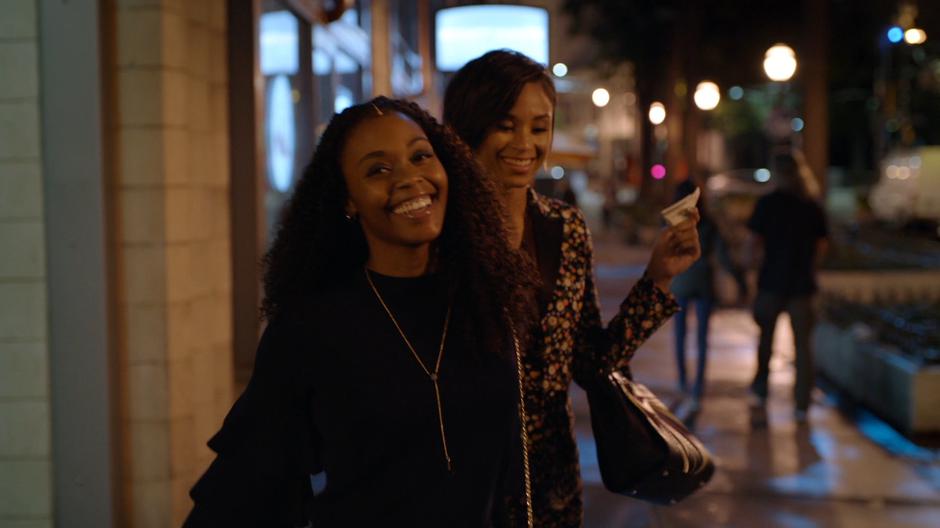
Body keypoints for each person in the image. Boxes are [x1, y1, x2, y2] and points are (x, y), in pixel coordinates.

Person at [183, 97, 539, 527]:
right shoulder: (311, 327)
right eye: (378, 169)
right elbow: (247, 481)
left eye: (420, 156)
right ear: (348, 200)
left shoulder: (484, 302)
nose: (410, 179)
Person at [444, 50, 701, 527]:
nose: (525, 143)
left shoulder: (565, 228)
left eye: (538, 127)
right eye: (505, 124)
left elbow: (591, 362)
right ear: (466, 127)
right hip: (458, 475)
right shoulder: (437, 233)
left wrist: (658, 277)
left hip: (549, 483)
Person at [746, 151, 829, 422]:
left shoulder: (767, 204)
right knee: (803, 346)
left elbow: (753, 243)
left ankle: (760, 390)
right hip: (802, 283)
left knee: (765, 341)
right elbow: (822, 245)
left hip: (772, 281)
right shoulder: (810, 205)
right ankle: (802, 403)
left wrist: (750, 272)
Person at [669, 179, 739, 413]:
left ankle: (682, 382)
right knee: (702, 338)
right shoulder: (709, 222)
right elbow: (723, 255)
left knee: (680, 335)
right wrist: (738, 278)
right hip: (704, 281)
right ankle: (698, 387)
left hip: (680, 281)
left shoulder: (673, 221)